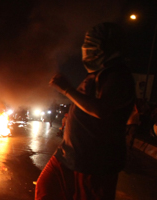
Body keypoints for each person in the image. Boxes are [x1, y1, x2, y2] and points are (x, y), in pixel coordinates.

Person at [35, 22, 136, 200]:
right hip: (68, 155)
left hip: (94, 162)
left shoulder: (119, 77)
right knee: (46, 189)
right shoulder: (98, 74)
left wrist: (67, 89)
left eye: (92, 44)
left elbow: (101, 109)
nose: (86, 48)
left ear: (107, 47)